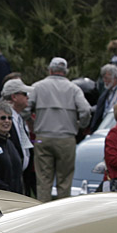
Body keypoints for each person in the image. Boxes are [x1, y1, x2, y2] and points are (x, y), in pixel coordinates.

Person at [29, 57, 91, 201]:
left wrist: (31, 122)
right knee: (65, 180)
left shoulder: (38, 87)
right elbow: (86, 110)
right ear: (65, 71)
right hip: (66, 138)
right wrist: (80, 125)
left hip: (42, 136)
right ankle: (62, 214)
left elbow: (26, 107)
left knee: (43, 179)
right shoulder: (74, 88)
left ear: (50, 70)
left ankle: (42, 211)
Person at [2, 78, 35, 196]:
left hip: (21, 178)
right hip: (9, 183)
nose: (28, 97)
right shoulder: (2, 118)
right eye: (25, 94)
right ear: (14, 97)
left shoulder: (19, 118)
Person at [90, 64, 117, 133]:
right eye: (103, 78)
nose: (104, 80)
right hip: (106, 125)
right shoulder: (107, 93)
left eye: (107, 78)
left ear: (115, 78)